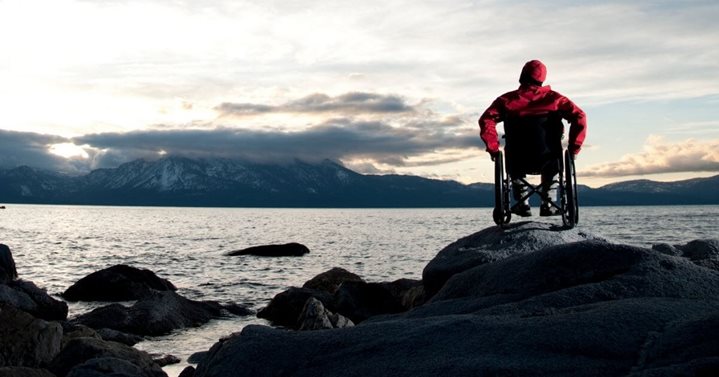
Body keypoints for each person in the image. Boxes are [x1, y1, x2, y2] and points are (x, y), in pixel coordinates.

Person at [478, 59, 587, 217]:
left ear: (522, 76)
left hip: (517, 158)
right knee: (553, 161)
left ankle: (522, 203)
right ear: (542, 79)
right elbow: (580, 117)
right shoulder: (556, 99)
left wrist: (493, 149)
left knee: (514, 162)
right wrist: (574, 148)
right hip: (549, 157)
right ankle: (549, 203)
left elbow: (486, 121)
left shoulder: (506, 100)